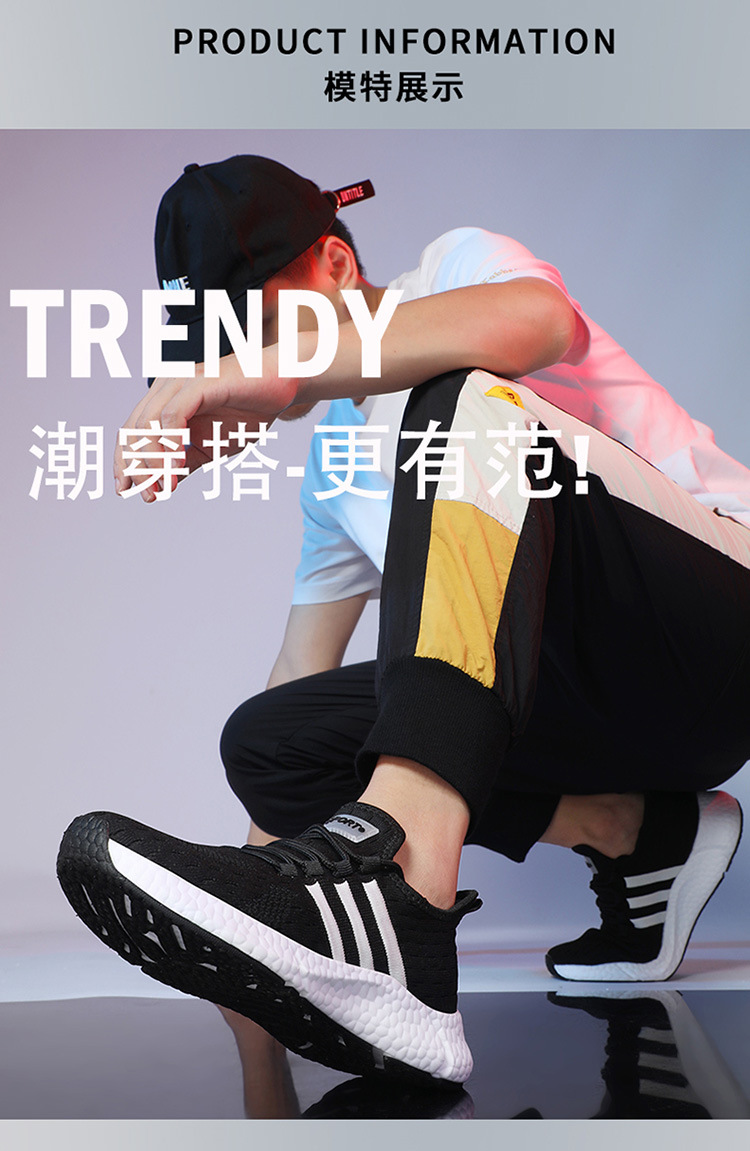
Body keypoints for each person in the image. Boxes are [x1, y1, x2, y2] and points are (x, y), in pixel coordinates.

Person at [57, 155, 750, 1087]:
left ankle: (406, 901)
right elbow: (300, 679)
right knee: (269, 736)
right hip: (599, 707)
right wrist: (245, 938)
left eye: (253, 327)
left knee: (458, 394)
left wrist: (274, 370)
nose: (242, 360)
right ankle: (641, 833)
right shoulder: (336, 464)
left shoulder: (456, 268)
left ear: (337, 263)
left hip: (718, 628)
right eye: (222, 345)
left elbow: (540, 322)